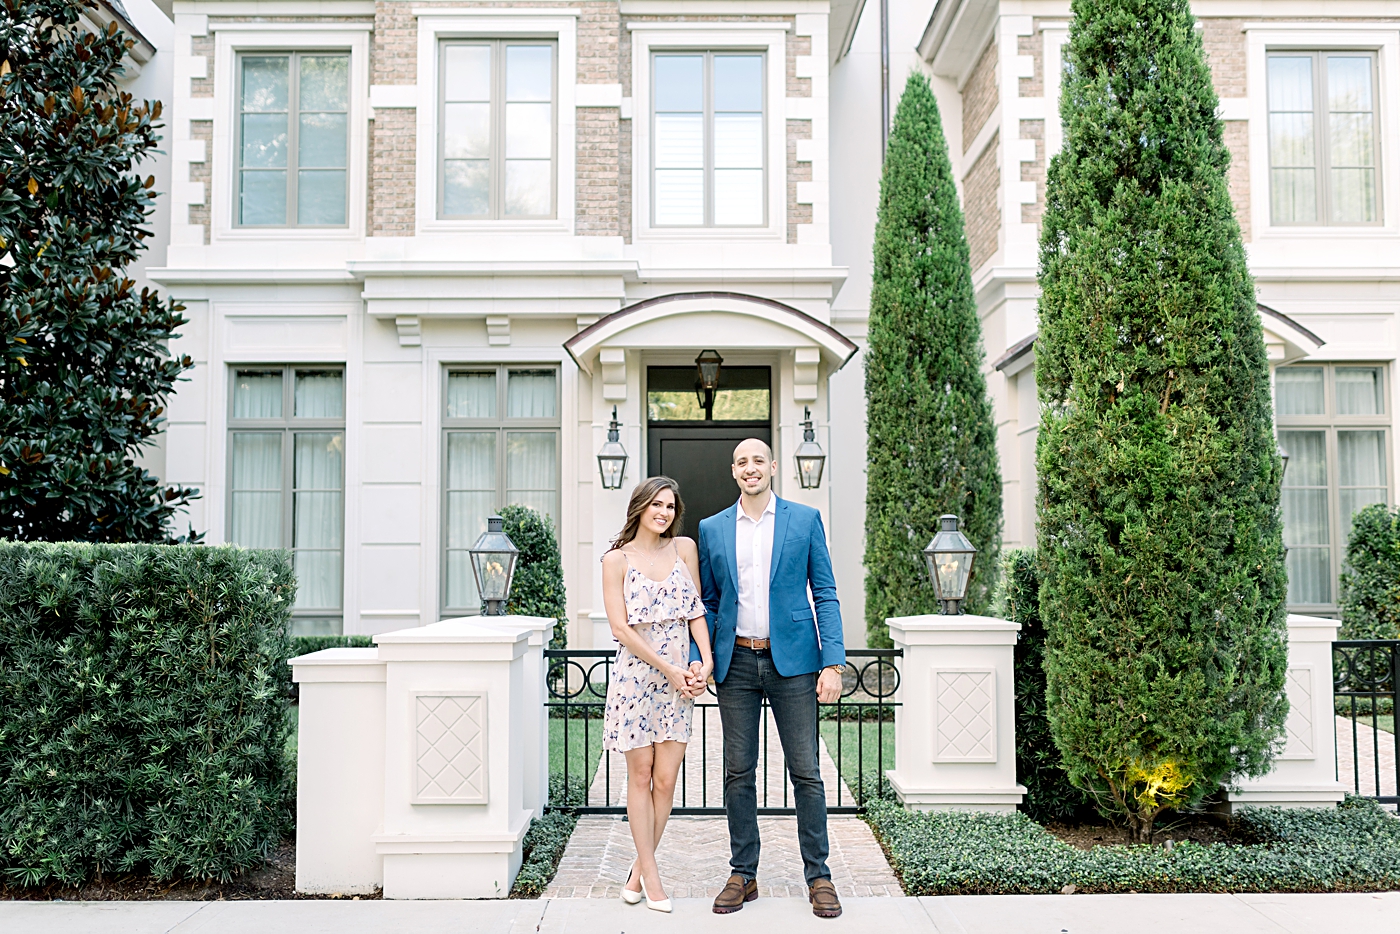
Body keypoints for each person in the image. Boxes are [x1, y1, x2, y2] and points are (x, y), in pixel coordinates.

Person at [691, 438, 847, 918]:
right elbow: (710, 603)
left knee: (806, 772)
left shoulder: (804, 520)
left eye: (758, 460)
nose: (750, 468)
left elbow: (825, 591)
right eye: (742, 462)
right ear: (733, 471)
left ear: (773, 467)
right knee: (738, 771)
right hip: (736, 662)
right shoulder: (712, 528)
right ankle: (743, 873)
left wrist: (832, 662)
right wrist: (704, 657)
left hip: (795, 663)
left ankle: (818, 876)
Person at [600, 476, 714, 914]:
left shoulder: (684, 549)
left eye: (670, 506)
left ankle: (636, 873)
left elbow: (696, 611)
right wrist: (668, 668)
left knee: (666, 780)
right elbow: (620, 628)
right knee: (641, 776)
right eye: (656, 505)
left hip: (679, 683)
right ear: (640, 507)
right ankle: (652, 875)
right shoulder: (615, 560)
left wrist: (704, 662)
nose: (664, 512)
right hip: (635, 680)